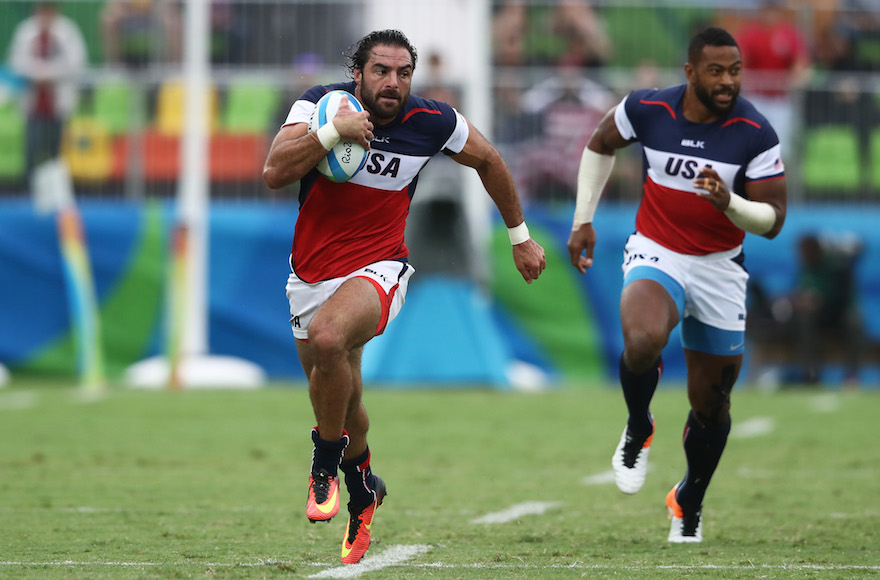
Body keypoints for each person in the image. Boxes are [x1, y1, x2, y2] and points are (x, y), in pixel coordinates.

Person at [262, 29, 546, 564]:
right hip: (310, 276)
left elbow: (488, 159)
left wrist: (520, 237)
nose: (393, 83)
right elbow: (275, 171)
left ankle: (323, 467)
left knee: (329, 338)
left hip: (380, 268)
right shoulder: (320, 104)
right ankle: (364, 486)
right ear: (358, 74)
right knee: (345, 402)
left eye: (403, 73)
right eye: (381, 71)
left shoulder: (432, 121)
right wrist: (332, 133)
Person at [566, 27, 787, 542]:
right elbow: (600, 145)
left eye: (735, 71)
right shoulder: (648, 109)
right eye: (716, 71)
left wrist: (728, 202)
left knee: (712, 403)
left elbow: (774, 219)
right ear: (690, 72)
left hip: (720, 266)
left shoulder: (755, 131)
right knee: (642, 340)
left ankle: (688, 499)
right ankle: (639, 426)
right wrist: (583, 219)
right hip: (658, 250)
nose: (728, 81)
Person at [7, 1, 86, 181]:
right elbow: (16, 63)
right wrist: (37, 74)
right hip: (33, 103)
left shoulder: (67, 32)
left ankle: (55, 193)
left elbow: (76, 62)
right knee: (32, 148)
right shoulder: (25, 31)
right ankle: (28, 190)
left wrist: (49, 73)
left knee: (56, 152)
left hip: (57, 102)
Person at [734, 0, 811, 161]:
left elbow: (801, 63)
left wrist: (795, 79)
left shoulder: (789, 34)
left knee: (780, 147)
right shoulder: (750, 33)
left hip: (780, 100)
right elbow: (740, 63)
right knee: (750, 144)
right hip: (755, 98)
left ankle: (777, 183)